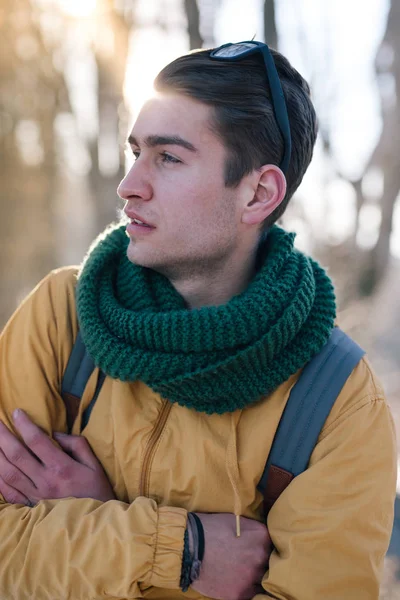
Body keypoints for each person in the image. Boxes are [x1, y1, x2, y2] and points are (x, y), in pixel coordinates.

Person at [0, 41, 396, 600]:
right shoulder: (63, 318)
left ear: (258, 193)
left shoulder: (337, 401)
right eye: (135, 151)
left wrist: (85, 524)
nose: (129, 184)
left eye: (168, 157)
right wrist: (180, 551)